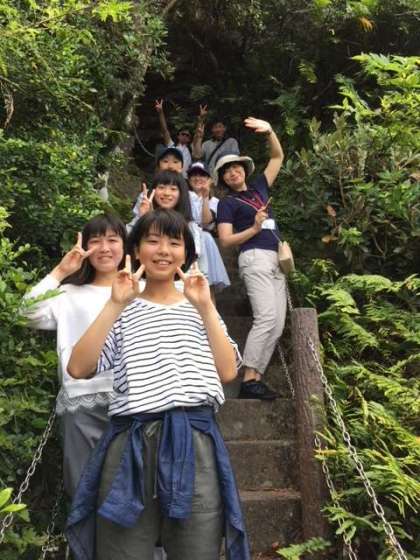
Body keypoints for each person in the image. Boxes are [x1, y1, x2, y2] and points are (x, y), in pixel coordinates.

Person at [66, 209, 250, 560]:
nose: (163, 250)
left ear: (187, 254)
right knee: (121, 550)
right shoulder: (120, 307)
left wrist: (206, 307)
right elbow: (78, 367)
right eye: (152, 241)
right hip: (130, 443)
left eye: (174, 243)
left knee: (197, 549)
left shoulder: (201, 307)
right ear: (136, 250)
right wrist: (115, 304)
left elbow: (228, 372)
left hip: (194, 441)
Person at [22, 214, 126, 497]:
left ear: (125, 245)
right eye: (96, 241)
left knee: (132, 488)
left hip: (134, 400)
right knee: (82, 487)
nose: (104, 248)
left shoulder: (140, 290)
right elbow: (25, 313)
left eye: (113, 240)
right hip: (81, 399)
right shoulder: (69, 292)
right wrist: (61, 271)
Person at [216, 117, 286, 400]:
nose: (232, 173)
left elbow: (277, 157)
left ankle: (256, 378)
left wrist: (269, 131)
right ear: (223, 179)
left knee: (277, 324)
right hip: (254, 258)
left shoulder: (259, 188)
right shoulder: (227, 203)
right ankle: (247, 379)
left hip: (277, 259)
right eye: (226, 172)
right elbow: (225, 240)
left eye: (236, 168)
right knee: (266, 317)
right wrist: (254, 229)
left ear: (244, 170)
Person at [187, 161, 230, 293]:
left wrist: (205, 197)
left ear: (210, 179)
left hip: (205, 241)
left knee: (206, 286)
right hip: (187, 237)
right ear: (188, 179)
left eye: (202, 175)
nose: (198, 178)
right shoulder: (183, 197)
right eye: (194, 175)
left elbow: (206, 221)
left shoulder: (215, 202)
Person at [192, 106, 240, 175]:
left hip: (226, 176)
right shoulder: (207, 144)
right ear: (212, 130)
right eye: (215, 127)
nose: (218, 130)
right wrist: (199, 138)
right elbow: (197, 156)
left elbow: (235, 159)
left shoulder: (231, 142)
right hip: (211, 177)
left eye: (220, 126)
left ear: (225, 128)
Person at [155, 99, 192, 176]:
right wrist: (161, 112)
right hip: (170, 176)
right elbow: (165, 130)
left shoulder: (191, 150)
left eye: (187, 135)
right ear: (178, 136)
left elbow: (198, 137)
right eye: (183, 134)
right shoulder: (171, 145)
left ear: (189, 139)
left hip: (184, 179)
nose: (185, 136)